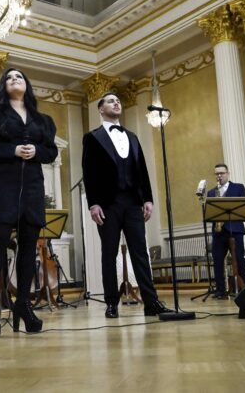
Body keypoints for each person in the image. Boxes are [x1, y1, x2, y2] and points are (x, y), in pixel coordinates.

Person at [0, 67, 58, 337]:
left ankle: (23, 303)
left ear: (27, 85)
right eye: (9, 77)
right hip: (2, 185)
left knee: (28, 246)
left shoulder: (42, 120)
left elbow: (51, 151)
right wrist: (11, 150)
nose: (14, 79)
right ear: (3, 86)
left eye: (19, 77)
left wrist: (36, 151)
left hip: (32, 186)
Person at [82, 92, 172, 319]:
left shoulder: (132, 136)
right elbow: (89, 173)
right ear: (100, 109)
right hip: (108, 204)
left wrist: (148, 199)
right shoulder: (92, 138)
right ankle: (111, 303)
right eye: (110, 101)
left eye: (118, 100)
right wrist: (93, 204)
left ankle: (151, 302)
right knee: (109, 253)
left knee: (140, 253)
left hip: (133, 202)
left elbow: (142, 170)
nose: (116, 103)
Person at [207, 163, 245, 299]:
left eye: (222, 173)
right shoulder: (211, 192)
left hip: (235, 230)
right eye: (217, 173)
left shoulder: (238, 187)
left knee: (239, 259)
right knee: (217, 260)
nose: (219, 176)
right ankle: (220, 290)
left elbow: (243, 206)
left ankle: (244, 288)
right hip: (219, 232)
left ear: (228, 173)